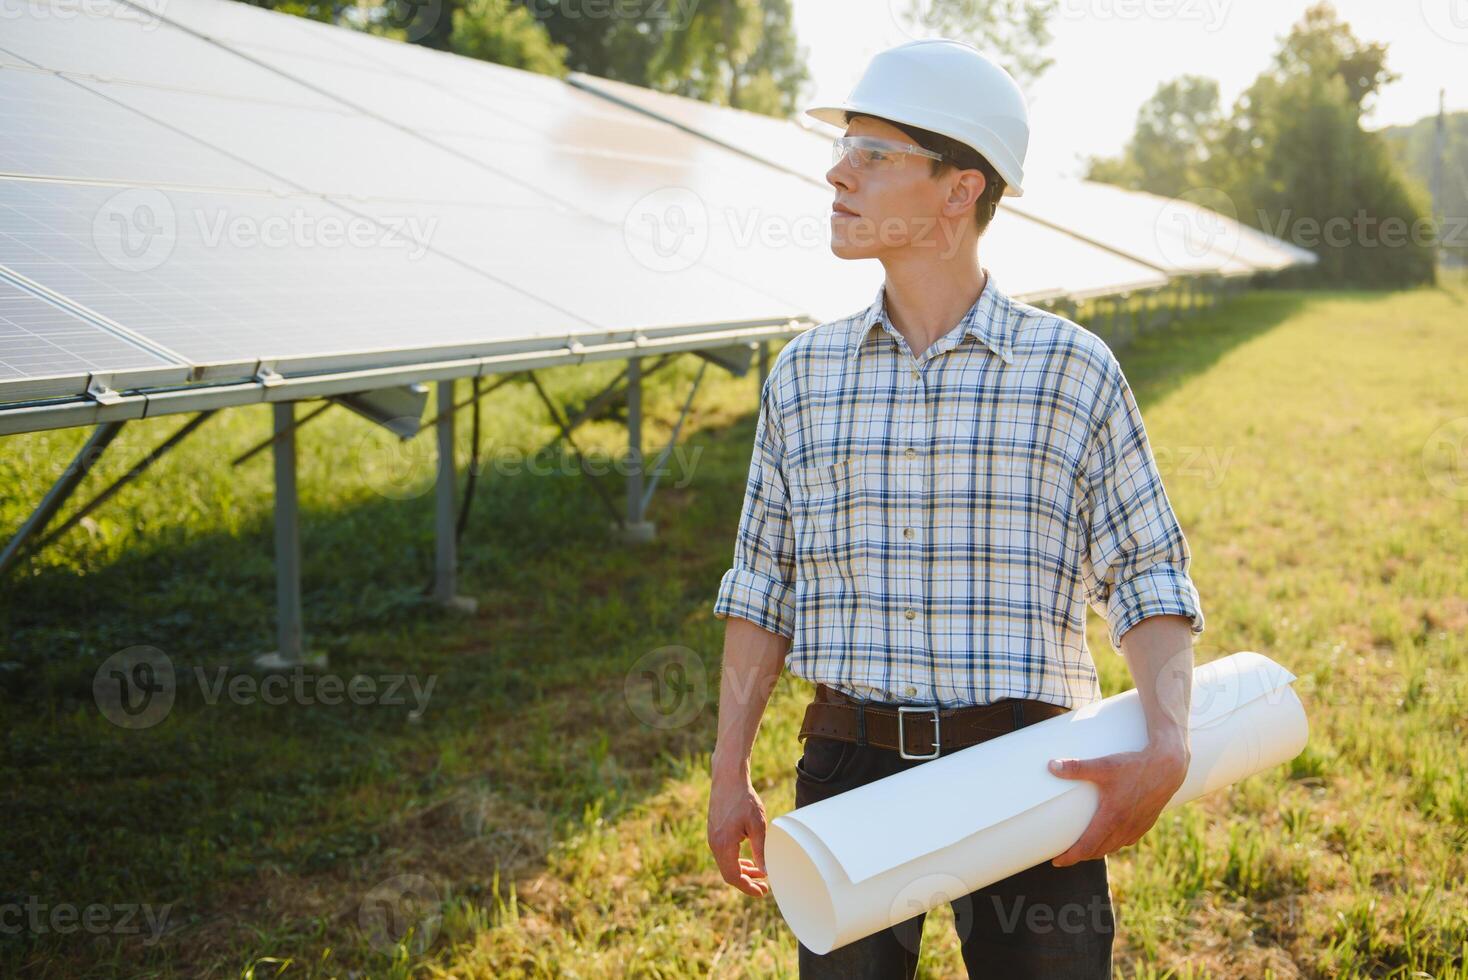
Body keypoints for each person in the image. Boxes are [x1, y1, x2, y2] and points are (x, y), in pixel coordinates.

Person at [705, 37, 1205, 979]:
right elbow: (762, 587)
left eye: (873, 154)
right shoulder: (804, 378)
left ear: (959, 189)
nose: (836, 172)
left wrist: (1169, 743)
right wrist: (729, 768)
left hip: (1033, 771)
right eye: (845, 148)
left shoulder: (1072, 372)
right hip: (848, 767)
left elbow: (1147, 571)